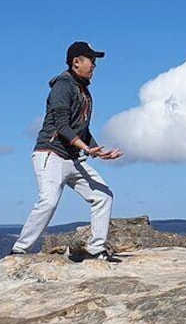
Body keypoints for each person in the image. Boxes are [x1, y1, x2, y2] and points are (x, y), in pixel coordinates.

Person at [10, 41, 124, 262]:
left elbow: (83, 129)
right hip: (50, 154)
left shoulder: (84, 92)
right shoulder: (63, 86)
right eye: (92, 61)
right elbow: (62, 127)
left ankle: (96, 248)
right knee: (49, 201)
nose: (95, 66)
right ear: (76, 62)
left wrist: (98, 151)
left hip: (71, 158)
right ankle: (19, 249)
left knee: (103, 196)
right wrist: (88, 150)